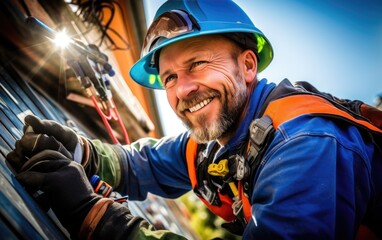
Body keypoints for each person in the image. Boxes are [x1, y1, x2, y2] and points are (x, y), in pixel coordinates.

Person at [6, 0, 382, 239]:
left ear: (247, 65)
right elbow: (143, 163)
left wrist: (100, 221)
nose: (182, 90)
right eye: (169, 78)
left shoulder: (305, 145)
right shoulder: (215, 143)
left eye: (198, 63)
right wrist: (81, 148)